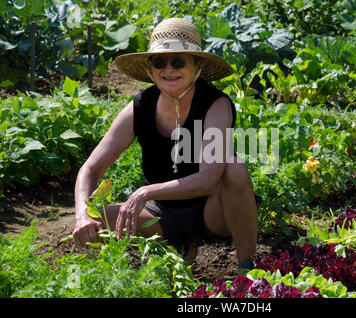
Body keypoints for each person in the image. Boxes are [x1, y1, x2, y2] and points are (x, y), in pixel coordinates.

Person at [72, 17, 259, 269]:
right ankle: (176, 246)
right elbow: (90, 169)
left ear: (198, 64)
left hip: (213, 212)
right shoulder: (139, 108)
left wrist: (145, 192)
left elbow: (208, 179)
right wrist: (82, 215)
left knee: (234, 168)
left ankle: (248, 266)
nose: (168, 69)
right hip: (160, 214)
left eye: (178, 61)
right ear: (150, 68)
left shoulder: (216, 104)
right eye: (159, 62)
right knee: (100, 218)